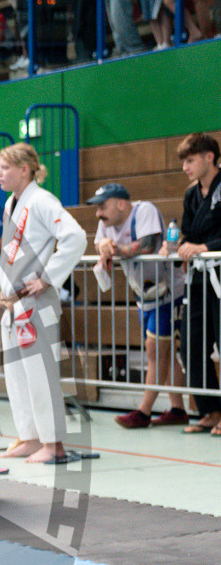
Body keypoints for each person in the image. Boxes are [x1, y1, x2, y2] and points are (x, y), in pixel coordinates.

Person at [0, 142, 87, 463]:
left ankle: (54, 444)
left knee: (41, 375)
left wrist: (47, 277)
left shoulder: (43, 201)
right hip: (14, 303)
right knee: (18, 377)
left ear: (24, 169)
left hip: (36, 301)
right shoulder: (11, 204)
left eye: (4, 167)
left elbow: (76, 237)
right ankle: (32, 437)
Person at [88, 183, 188, 428]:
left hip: (169, 293)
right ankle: (178, 409)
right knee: (166, 353)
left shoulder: (144, 211)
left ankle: (143, 412)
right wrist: (103, 245)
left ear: (121, 204)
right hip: (145, 295)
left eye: (103, 206)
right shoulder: (106, 222)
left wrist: (114, 249)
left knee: (155, 350)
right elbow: (100, 244)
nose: (98, 213)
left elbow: (147, 245)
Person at [174, 132, 221, 435]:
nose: (185, 167)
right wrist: (180, 246)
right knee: (191, 343)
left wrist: (205, 247)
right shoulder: (192, 195)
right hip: (199, 278)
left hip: (220, 271)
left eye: (190, 161)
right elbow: (188, 232)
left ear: (209, 157)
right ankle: (211, 410)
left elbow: (201, 242)